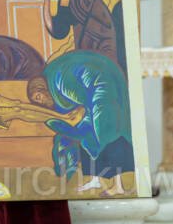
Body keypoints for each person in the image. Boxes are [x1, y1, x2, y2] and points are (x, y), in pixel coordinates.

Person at [27, 50, 135, 197]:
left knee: (105, 130)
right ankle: (96, 179)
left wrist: (75, 118)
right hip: (99, 82)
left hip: (102, 83)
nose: (41, 103)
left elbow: (83, 102)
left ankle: (118, 186)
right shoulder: (54, 82)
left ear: (41, 90)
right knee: (87, 132)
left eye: (38, 97)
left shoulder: (60, 81)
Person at [31, 0, 121, 71]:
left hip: (102, 42)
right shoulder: (63, 0)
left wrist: (86, 40)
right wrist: (47, 0)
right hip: (85, 45)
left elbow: (102, 19)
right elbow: (59, 31)